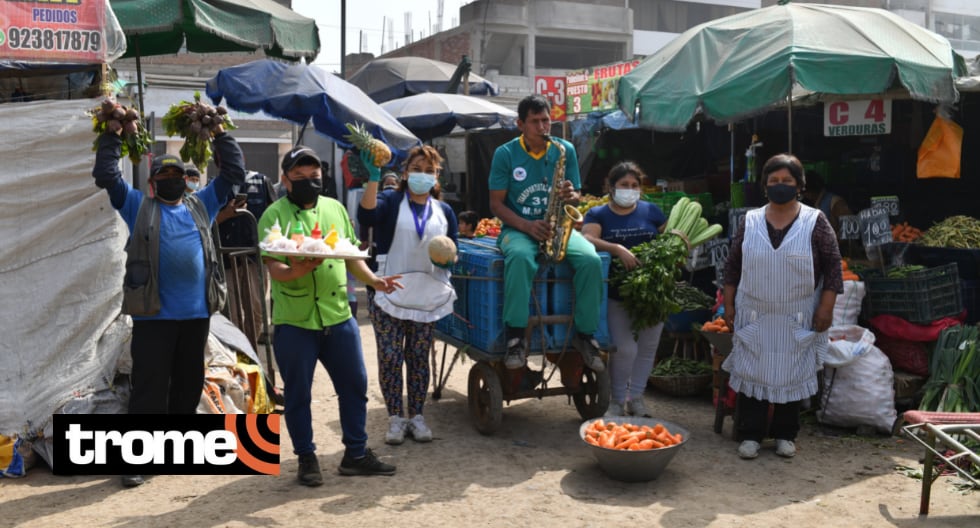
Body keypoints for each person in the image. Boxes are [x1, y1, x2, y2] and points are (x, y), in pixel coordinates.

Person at [91, 125, 244, 488]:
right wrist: (112, 134)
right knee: (149, 387)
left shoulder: (202, 204)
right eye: (164, 174)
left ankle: (173, 449)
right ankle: (136, 460)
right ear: (153, 181)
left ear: (186, 180)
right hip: (154, 318)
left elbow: (233, 172)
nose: (172, 179)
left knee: (188, 386)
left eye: (177, 174)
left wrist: (220, 133)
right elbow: (106, 175)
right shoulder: (137, 207)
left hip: (196, 318)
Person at [258, 145, 402, 486]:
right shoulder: (273, 215)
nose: (309, 181)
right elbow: (274, 266)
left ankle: (355, 453)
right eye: (300, 177)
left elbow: (351, 256)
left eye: (314, 176)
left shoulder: (335, 208)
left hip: (339, 315)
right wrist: (297, 271)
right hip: (296, 319)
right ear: (286, 180)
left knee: (355, 385)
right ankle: (306, 458)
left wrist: (375, 281)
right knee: (298, 394)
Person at [721, 153, 843, 460]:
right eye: (773, 181)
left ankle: (786, 434)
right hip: (754, 312)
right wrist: (730, 305)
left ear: (799, 186)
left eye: (787, 181)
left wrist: (825, 308)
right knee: (752, 372)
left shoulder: (815, 221)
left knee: (791, 373)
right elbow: (733, 267)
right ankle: (750, 434)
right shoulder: (749, 221)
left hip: (797, 313)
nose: (780, 186)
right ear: (764, 186)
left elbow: (833, 268)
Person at [489, 94, 604, 371]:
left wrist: (571, 195)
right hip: (518, 228)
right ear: (520, 124)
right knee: (519, 258)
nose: (543, 127)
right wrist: (527, 226)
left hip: (558, 226)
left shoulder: (564, 149)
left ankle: (585, 335)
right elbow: (495, 204)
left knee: (592, 261)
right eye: (535, 121)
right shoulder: (505, 154)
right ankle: (516, 338)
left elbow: (575, 197)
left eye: (546, 120)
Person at [358, 146, 458, 445]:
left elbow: (455, 250)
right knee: (390, 357)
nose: (423, 176)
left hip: (426, 294)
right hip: (389, 289)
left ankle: (416, 416)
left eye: (430, 171)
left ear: (437, 176)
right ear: (405, 173)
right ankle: (395, 418)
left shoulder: (445, 211)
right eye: (417, 169)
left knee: (418, 357)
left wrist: (449, 259)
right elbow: (367, 214)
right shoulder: (391, 200)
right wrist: (373, 178)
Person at [582, 162, 668, 417]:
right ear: (611, 187)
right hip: (616, 292)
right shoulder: (598, 214)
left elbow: (668, 238)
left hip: (652, 293)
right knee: (625, 348)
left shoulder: (651, 211)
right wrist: (616, 249)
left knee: (648, 347)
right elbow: (587, 238)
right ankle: (617, 401)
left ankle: (637, 398)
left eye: (634, 185)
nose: (629, 190)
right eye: (624, 185)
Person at [216, 169, 277, 348]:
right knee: (231, 314)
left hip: (253, 259)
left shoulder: (261, 182)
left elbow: (275, 217)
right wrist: (226, 213)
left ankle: (250, 354)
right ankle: (235, 354)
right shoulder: (215, 186)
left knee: (256, 311)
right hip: (225, 260)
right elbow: (206, 221)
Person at [801, 170, 852, 237]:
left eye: (804, 192)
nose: (803, 196)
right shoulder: (814, 204)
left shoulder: (835, 202)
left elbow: (850, 230)